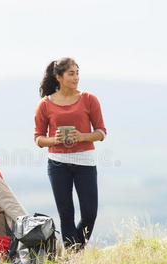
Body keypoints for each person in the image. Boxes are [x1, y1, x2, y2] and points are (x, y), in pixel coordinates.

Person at [34, 57, 107, 249]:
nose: (76, 78)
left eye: (77, 73)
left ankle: (77, 249)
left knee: (90, 213)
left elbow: (101, 133)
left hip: (85, 163)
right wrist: (55, 140)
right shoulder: (45, 104)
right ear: (58, 77)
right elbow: (38, 138)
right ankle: (73, 255)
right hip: (57, 164)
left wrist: (81, 136)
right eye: (71, 74)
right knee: (66, 212)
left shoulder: (89, 99)